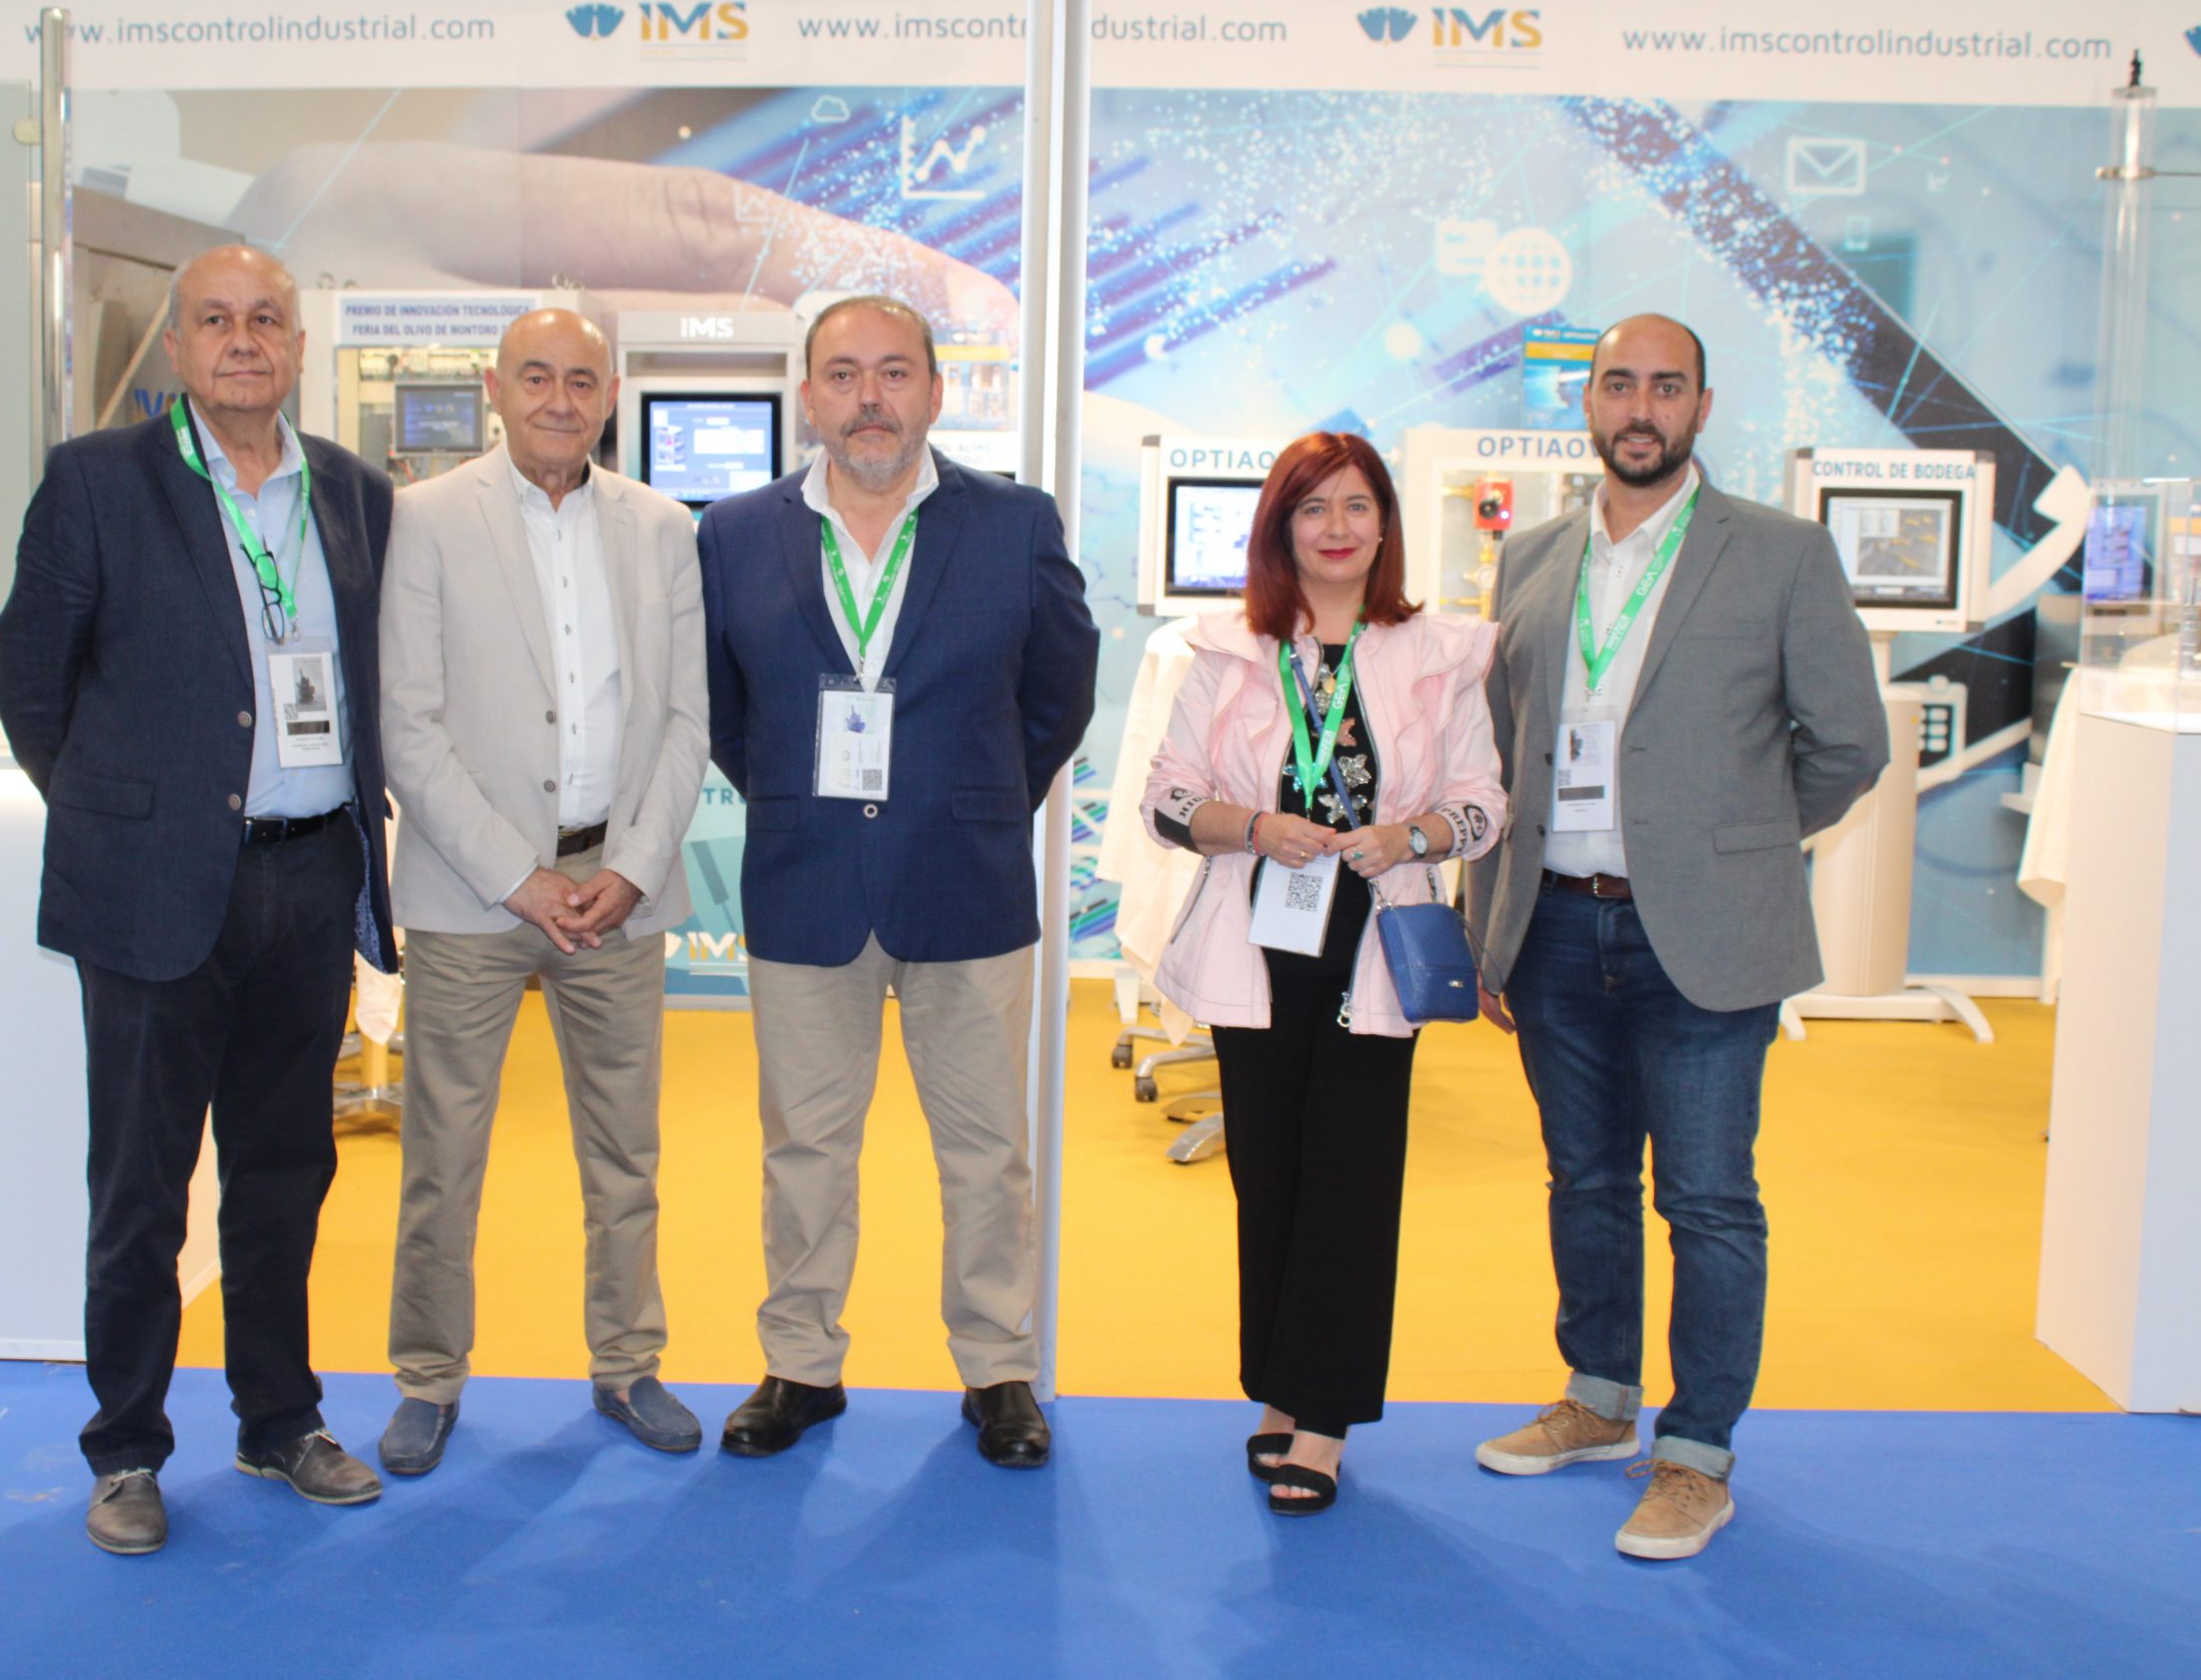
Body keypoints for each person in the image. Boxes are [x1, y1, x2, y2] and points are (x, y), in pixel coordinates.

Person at [0, 245, 398, 1555]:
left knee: (284, 1173)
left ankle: (279, 1419)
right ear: (176, 347)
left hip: (311, 874)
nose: (242, 340)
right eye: (215, 319)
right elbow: (32, 681)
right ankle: (125, 1447)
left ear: (299, 344)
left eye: (266, 318)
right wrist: (128, 820)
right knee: (143, 1185)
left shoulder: (353, 491)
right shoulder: (97, 481)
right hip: (156, 887)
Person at [1465, 314, 1888, 1559]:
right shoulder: (1531, 556)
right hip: (1554, 925)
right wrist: (1490, 923)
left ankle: (1696, 1453)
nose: (1638, 407)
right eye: (1617, 384)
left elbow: (1847, 743)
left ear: (1701, 407)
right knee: (1583, 1181)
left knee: (1706, 1201)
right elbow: (1500, 748)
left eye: (1665, 386)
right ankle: (1599, 1398)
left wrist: (1729, 846)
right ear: (1587, 404)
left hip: (1698, 934)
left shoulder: (1781, 553)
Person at [697, 294, 1099, 1467]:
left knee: (985, 1151)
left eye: (892, 372)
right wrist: (797, 795)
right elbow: (723, 708)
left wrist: (980, 796)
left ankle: (998, 1370)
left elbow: (1059, 690)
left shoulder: (1013, 523)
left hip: (965, 882)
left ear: (934, 389)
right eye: (842, 374)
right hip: (803, 882)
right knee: (803, 1150)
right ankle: (800, 1365)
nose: (868, 397)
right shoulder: (733, 533)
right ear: (807, 396)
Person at [1138, 432, 1507, 1516]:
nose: (1336, 528)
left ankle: (1325, 1416)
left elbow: (1483, 801)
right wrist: (1252, 824)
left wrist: (1415, 836)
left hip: (1376, 930)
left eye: (1356, 505)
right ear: (1280, 528)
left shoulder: (1440, 653)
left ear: (1386, 523)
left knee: (1350, 1177)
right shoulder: (1228, 650)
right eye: (1312, 508)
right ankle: (1278, 1385)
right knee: (1269, 1174)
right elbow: (1166, 796)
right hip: (1259, 926)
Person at [373, 309, 710, 1470]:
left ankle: (628, 1364)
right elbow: (407, 725)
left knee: (626, 1154)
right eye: (535, 377)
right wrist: (516, 877)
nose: (558, 400)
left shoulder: (663, 528)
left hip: (615, 891)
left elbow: (687, 720)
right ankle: (427, 1377)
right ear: (494, 387)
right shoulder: (424, 520)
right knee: (443, 1155)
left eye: (579, 380)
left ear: (609, 393)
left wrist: (632, 866)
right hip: (473, 892)